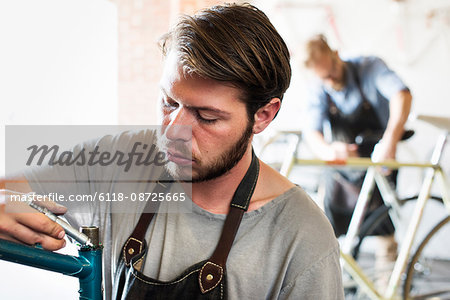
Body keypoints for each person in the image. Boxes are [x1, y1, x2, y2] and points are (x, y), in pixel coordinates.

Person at [0, 5, 344, 299]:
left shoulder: (300, 238)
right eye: (169, 102)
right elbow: (11, 191)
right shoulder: (118, 160)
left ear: (263, 116)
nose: (173, 131)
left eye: (207, 117)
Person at [302, 34, 412, 287]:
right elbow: (312, 132)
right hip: (344, 167)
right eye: (323, 78)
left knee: (383, 224)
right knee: (330, 226)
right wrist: (329, 152)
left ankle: (388, 285)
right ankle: (338, 284)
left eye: (331, 73)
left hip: (379, 158)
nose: (329, 80)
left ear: (336, 54)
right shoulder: (319, 87)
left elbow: (402, 95)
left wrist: (390, 141)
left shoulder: (368, 67)